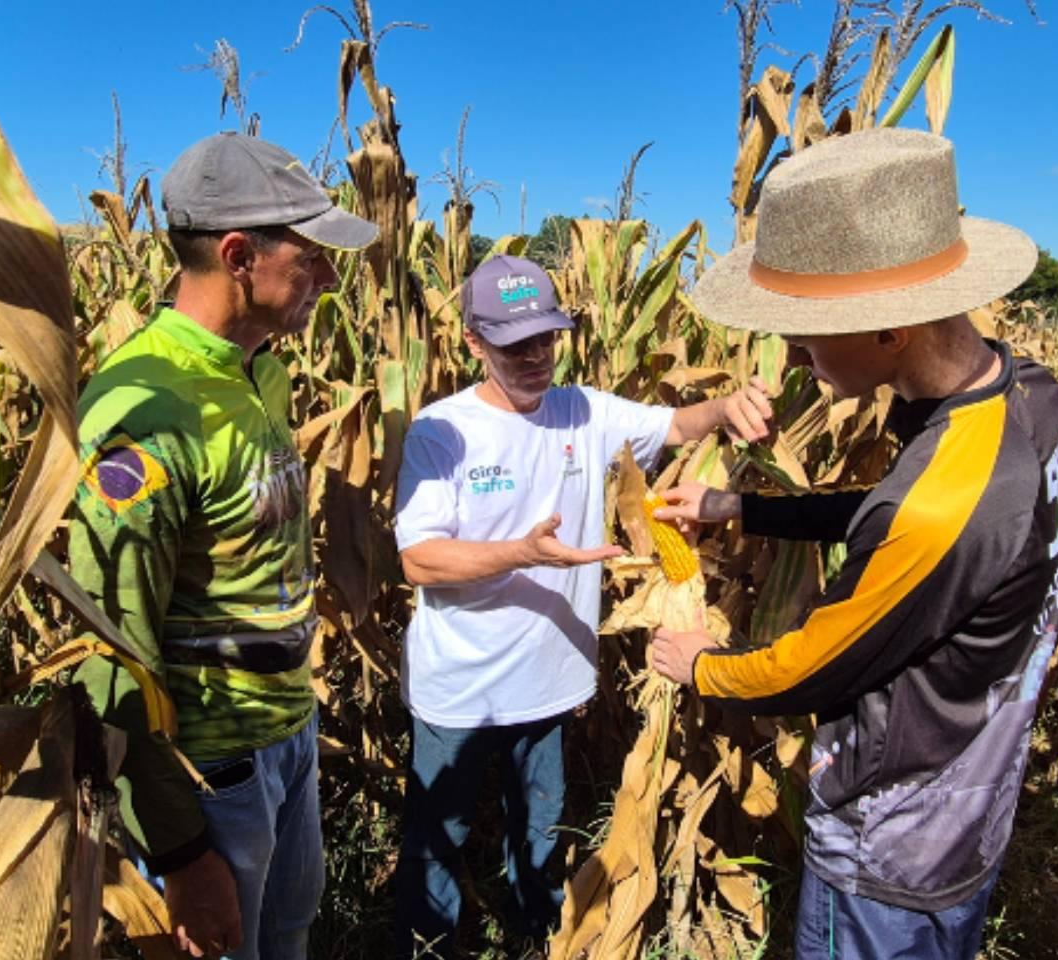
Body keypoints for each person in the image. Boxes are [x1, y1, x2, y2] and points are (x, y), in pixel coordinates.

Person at [649, 128, 1058, 959]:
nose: (790, 353)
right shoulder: (1027, 398)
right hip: (972, 801)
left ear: (891, 332)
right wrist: (742, 505)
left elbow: (812, 663)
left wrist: (701, 664)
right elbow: (901, 520)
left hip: (892, 850)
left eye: (805, 331)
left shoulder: (944, 503)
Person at [391, 254, 773, 957]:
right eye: (514, 344)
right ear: (473, 342)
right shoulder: (441, 432)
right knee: (435, 840)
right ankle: (428, 946)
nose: (536, 357)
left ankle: (539, 941)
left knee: (540, 831)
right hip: (461, 689)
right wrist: (522, 554)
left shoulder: (585, 412)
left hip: (549, 684)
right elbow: (419, 559)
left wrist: (728, 406)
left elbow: (678, 425)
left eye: (547, 339)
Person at [68, 132, 377, 960]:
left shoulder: (261, 371)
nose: (331, 278)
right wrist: (180, 852)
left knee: (287, 937)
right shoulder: (142, 411)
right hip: (210, 775)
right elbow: (110, 655)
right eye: (310, 257)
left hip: (291, 735)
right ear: (240, 256)